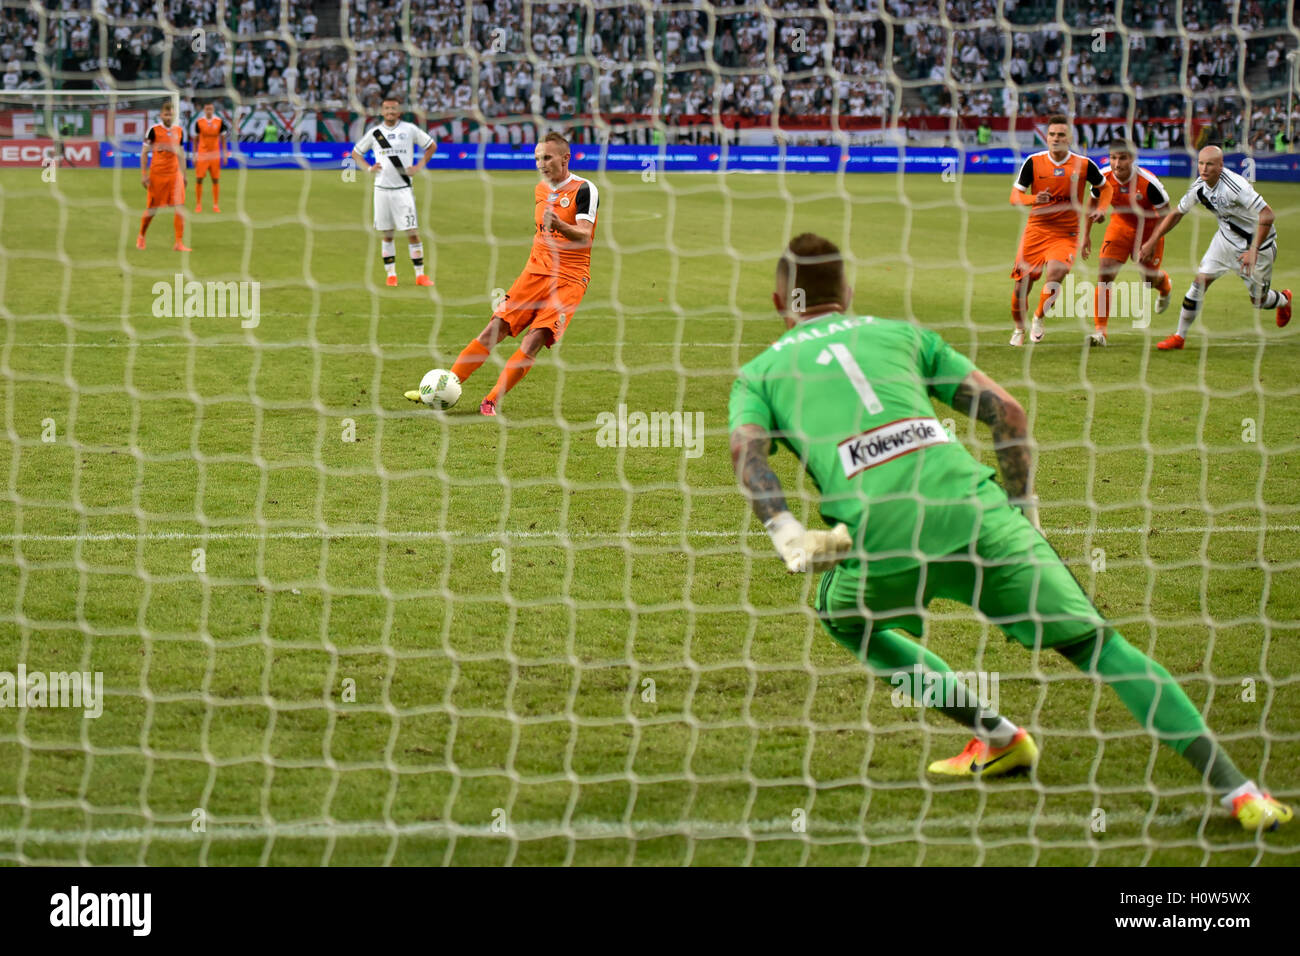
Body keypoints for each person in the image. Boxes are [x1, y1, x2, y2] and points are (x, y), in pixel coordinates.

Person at [726, 232, 1292, 831]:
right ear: (848, 291)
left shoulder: (759, 373)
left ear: (777, 301)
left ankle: (996, 735)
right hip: (979, 515)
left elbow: (747, 452)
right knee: (1100, 647)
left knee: (843, 617)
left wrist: (786, 532)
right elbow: (1009, 413)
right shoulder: (901, 335)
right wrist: (1023, 515)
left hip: (882, 538)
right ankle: (1242, 793)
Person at [417, 132, 600, 416]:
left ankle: (491, 400)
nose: (541, 163)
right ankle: (443, 386)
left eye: (548, 157)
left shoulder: (584, 189)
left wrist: (561, 227)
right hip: (534, 273)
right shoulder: (540, 189)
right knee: (494, 329)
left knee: (534, 339)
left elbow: (585, 236)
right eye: (538, 158)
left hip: (569, 279)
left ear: (566, 158)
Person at [1140, 145, 1291, 350]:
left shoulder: (1236, 186)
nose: (1204, 168)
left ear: (1220, 165)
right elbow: (1177, 213)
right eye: (1201, 163)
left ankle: (1283, 299)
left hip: (1258, 246)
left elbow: (1267, 214)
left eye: (1209, 164)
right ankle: (1179, 337)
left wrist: (1253, 250)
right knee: (1199, 282)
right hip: (1225, 241)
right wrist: (1152, 240)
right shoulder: (1199, 186)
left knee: (1258, 300)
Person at [1008, 114, 1111, 346]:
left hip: (1067, 234)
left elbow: (1106, 188)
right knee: (1020, 286)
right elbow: (1015, 196)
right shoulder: (1033, 162)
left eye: (1061, 135)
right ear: (1046, 137)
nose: (1056, 138)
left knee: (1056, 275)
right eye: (1052, 134)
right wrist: (1034, 198)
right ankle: (1018, 329)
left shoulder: (1084, 164)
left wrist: (1102, 209)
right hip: (1036, 230)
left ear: (1069, 138)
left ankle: (1038, 317)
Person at [1082, 140, 1174, 346]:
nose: (1117, 163)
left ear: (1132, 159)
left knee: (1149, 280)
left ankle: (1165, 286)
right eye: (1114, 157)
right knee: (1105, 273)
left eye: (1122, 158)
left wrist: (1152, 242)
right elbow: (1093, 201)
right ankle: (1100, 333)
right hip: (1120, 225)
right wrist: (1086, 235)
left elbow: (1167, 215)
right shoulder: (1103, 177)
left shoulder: (1148, 183)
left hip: (1149, 229)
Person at [351, 97, 436, 287]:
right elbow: (356, 153)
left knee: (412, 232)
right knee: (387, 234)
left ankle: (420, 275)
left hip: (403, 189)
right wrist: (368, 168)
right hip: (381, 190)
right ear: (382, 112)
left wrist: (418, 166)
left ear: (399, 112)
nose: (390, 111)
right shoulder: (375, 133)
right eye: (387, 108)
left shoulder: (409, 129)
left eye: (393, 109)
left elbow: (431, 146)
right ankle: (391, 275)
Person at [136, 101, 189, 252]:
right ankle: (141, 235)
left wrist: (184, 175)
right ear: (161, 115)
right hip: (157, 175)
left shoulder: (179, 131)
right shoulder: (153, 130)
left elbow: (181, 154)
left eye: (170, 114)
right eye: (166, 114)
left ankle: (178, 243)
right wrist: (144, 175)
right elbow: (145, 153)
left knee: (180, 206)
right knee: (152, 209)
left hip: (174, 175)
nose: (168, 116)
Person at [193, 102, 228, 213]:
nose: (209, 111)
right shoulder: (199, 123)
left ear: (213, 110)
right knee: (199, 179)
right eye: (207, 109)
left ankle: (215, 205)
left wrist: (225, 154)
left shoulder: (220, 122)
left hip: (215, 155)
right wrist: (194, 154)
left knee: (215, 180)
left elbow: (223, 139)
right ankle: (198, 204)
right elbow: (195, 139)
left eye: (210, 109)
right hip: (202, 154)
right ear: (204, 109)